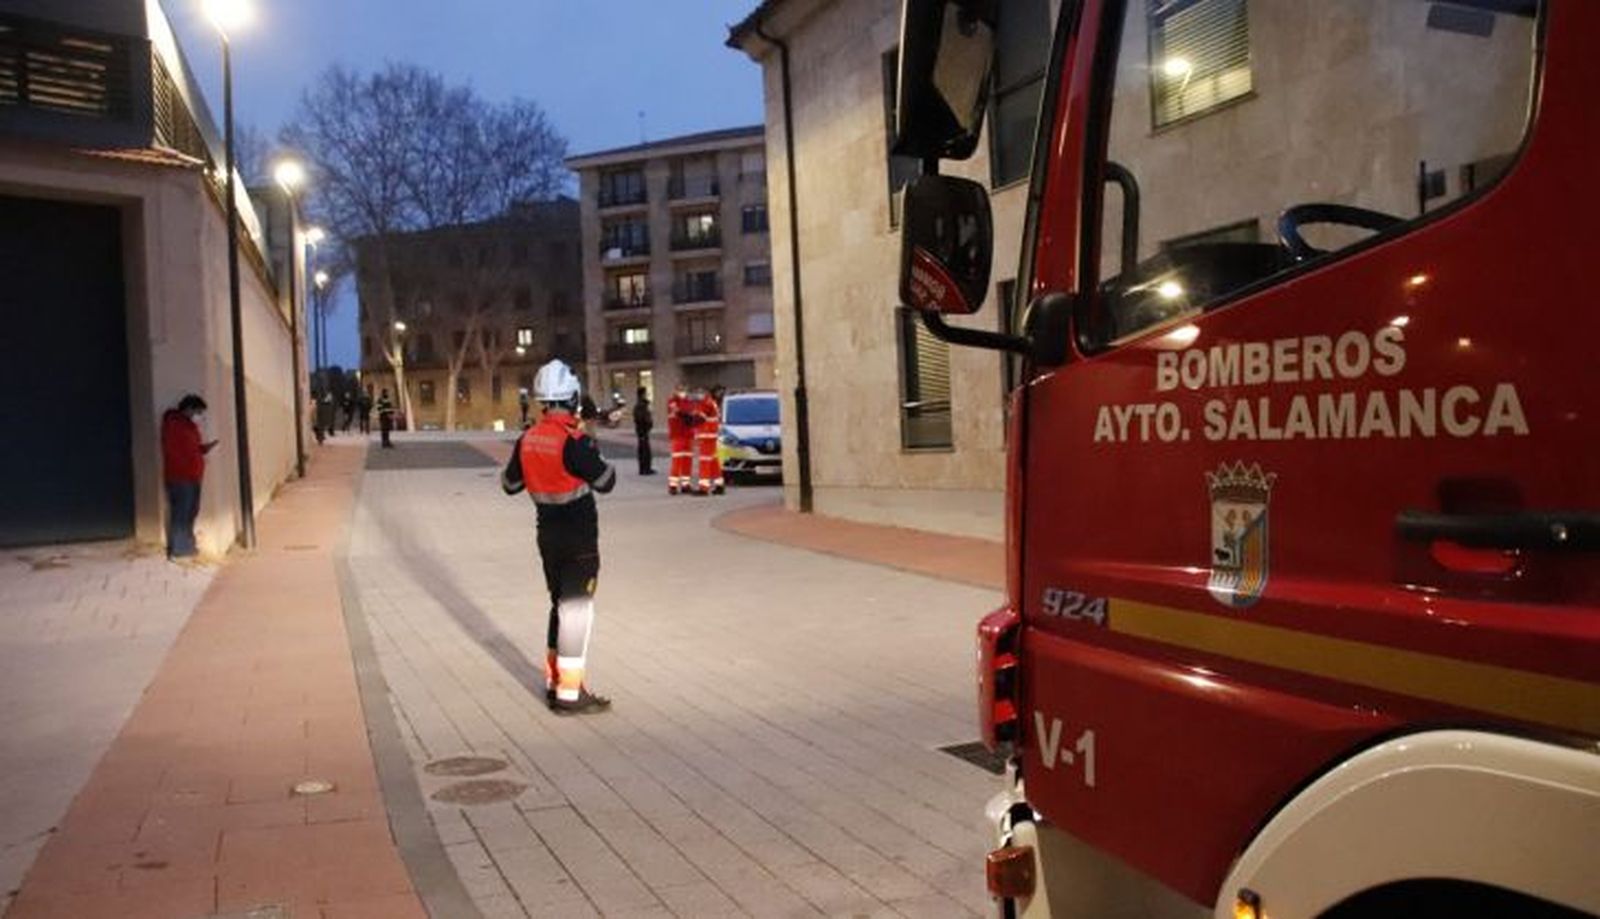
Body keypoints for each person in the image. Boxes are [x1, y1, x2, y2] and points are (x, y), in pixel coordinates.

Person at [501, 360, 616, 715]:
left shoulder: (528, 439)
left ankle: (554, 679)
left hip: (546, 536)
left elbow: (510, 485)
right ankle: (570, 693)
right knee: (577, 611)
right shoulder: (575, 441)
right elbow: (606, 481)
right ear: (572, 398)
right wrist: (590, 443)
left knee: (559, 606)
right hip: (579, 538)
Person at [160, 394, 217, 560]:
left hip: (193, 476)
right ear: (189, 408)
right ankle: (179, 551)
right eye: (198, 412)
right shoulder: (174, 425)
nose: (199, 416)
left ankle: (188, 547)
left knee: (191, 511)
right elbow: (175, 451)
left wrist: (203, 449)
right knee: (181, 513)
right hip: (180, 477)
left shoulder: (189, 427)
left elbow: (190, 448)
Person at [693, 384, 726, 496]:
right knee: (713, 461)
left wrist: (687, 420)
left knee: (705, 461)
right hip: (711, 436)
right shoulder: (712, 402)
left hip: (707, 436)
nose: (698, 395)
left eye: (700, 392)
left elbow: (700, 419)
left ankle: (704, 488)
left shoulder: (707, 403)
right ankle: (719, 485)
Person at [665, 381, 696, 495]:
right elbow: (680, 412)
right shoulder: (672, 401)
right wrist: (688, 415)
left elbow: (691, 414)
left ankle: (685, 484)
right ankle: (673, 485)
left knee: (687, 461)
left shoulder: (689, 402)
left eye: (684, 389)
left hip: (688, 435)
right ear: (676, 390)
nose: (682, 392)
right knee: (677, 461)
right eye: (680, 390)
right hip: (677, 435)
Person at [632, 386, 655, 476]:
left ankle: (646, 467)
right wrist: (647, 424)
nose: (647, 395)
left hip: (643, 430)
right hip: (642, 430)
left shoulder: (642, 405)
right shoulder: (640, 405)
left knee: (645, 449)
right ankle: (644, 469)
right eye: (645, 393)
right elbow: (640, 418)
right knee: (644, 450)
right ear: (642, 394)